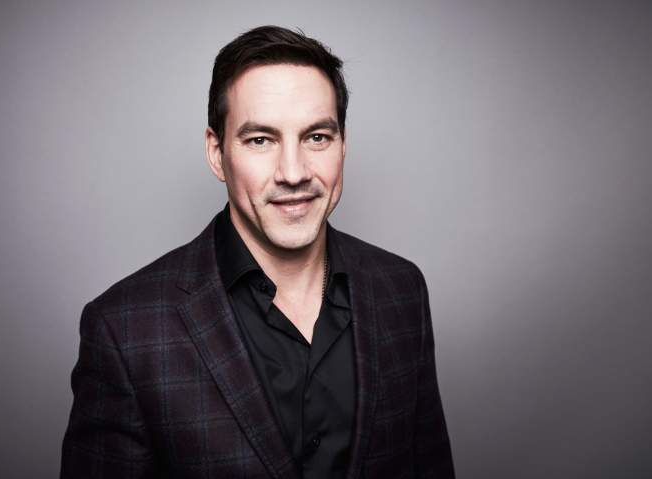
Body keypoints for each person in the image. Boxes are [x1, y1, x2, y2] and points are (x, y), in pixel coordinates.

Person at [60, 25, 455, 478]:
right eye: (261, 140)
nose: (293, 172)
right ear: (216, 153)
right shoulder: (125, 329)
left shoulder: (402, 290)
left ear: (343, 144)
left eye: (317, 137)